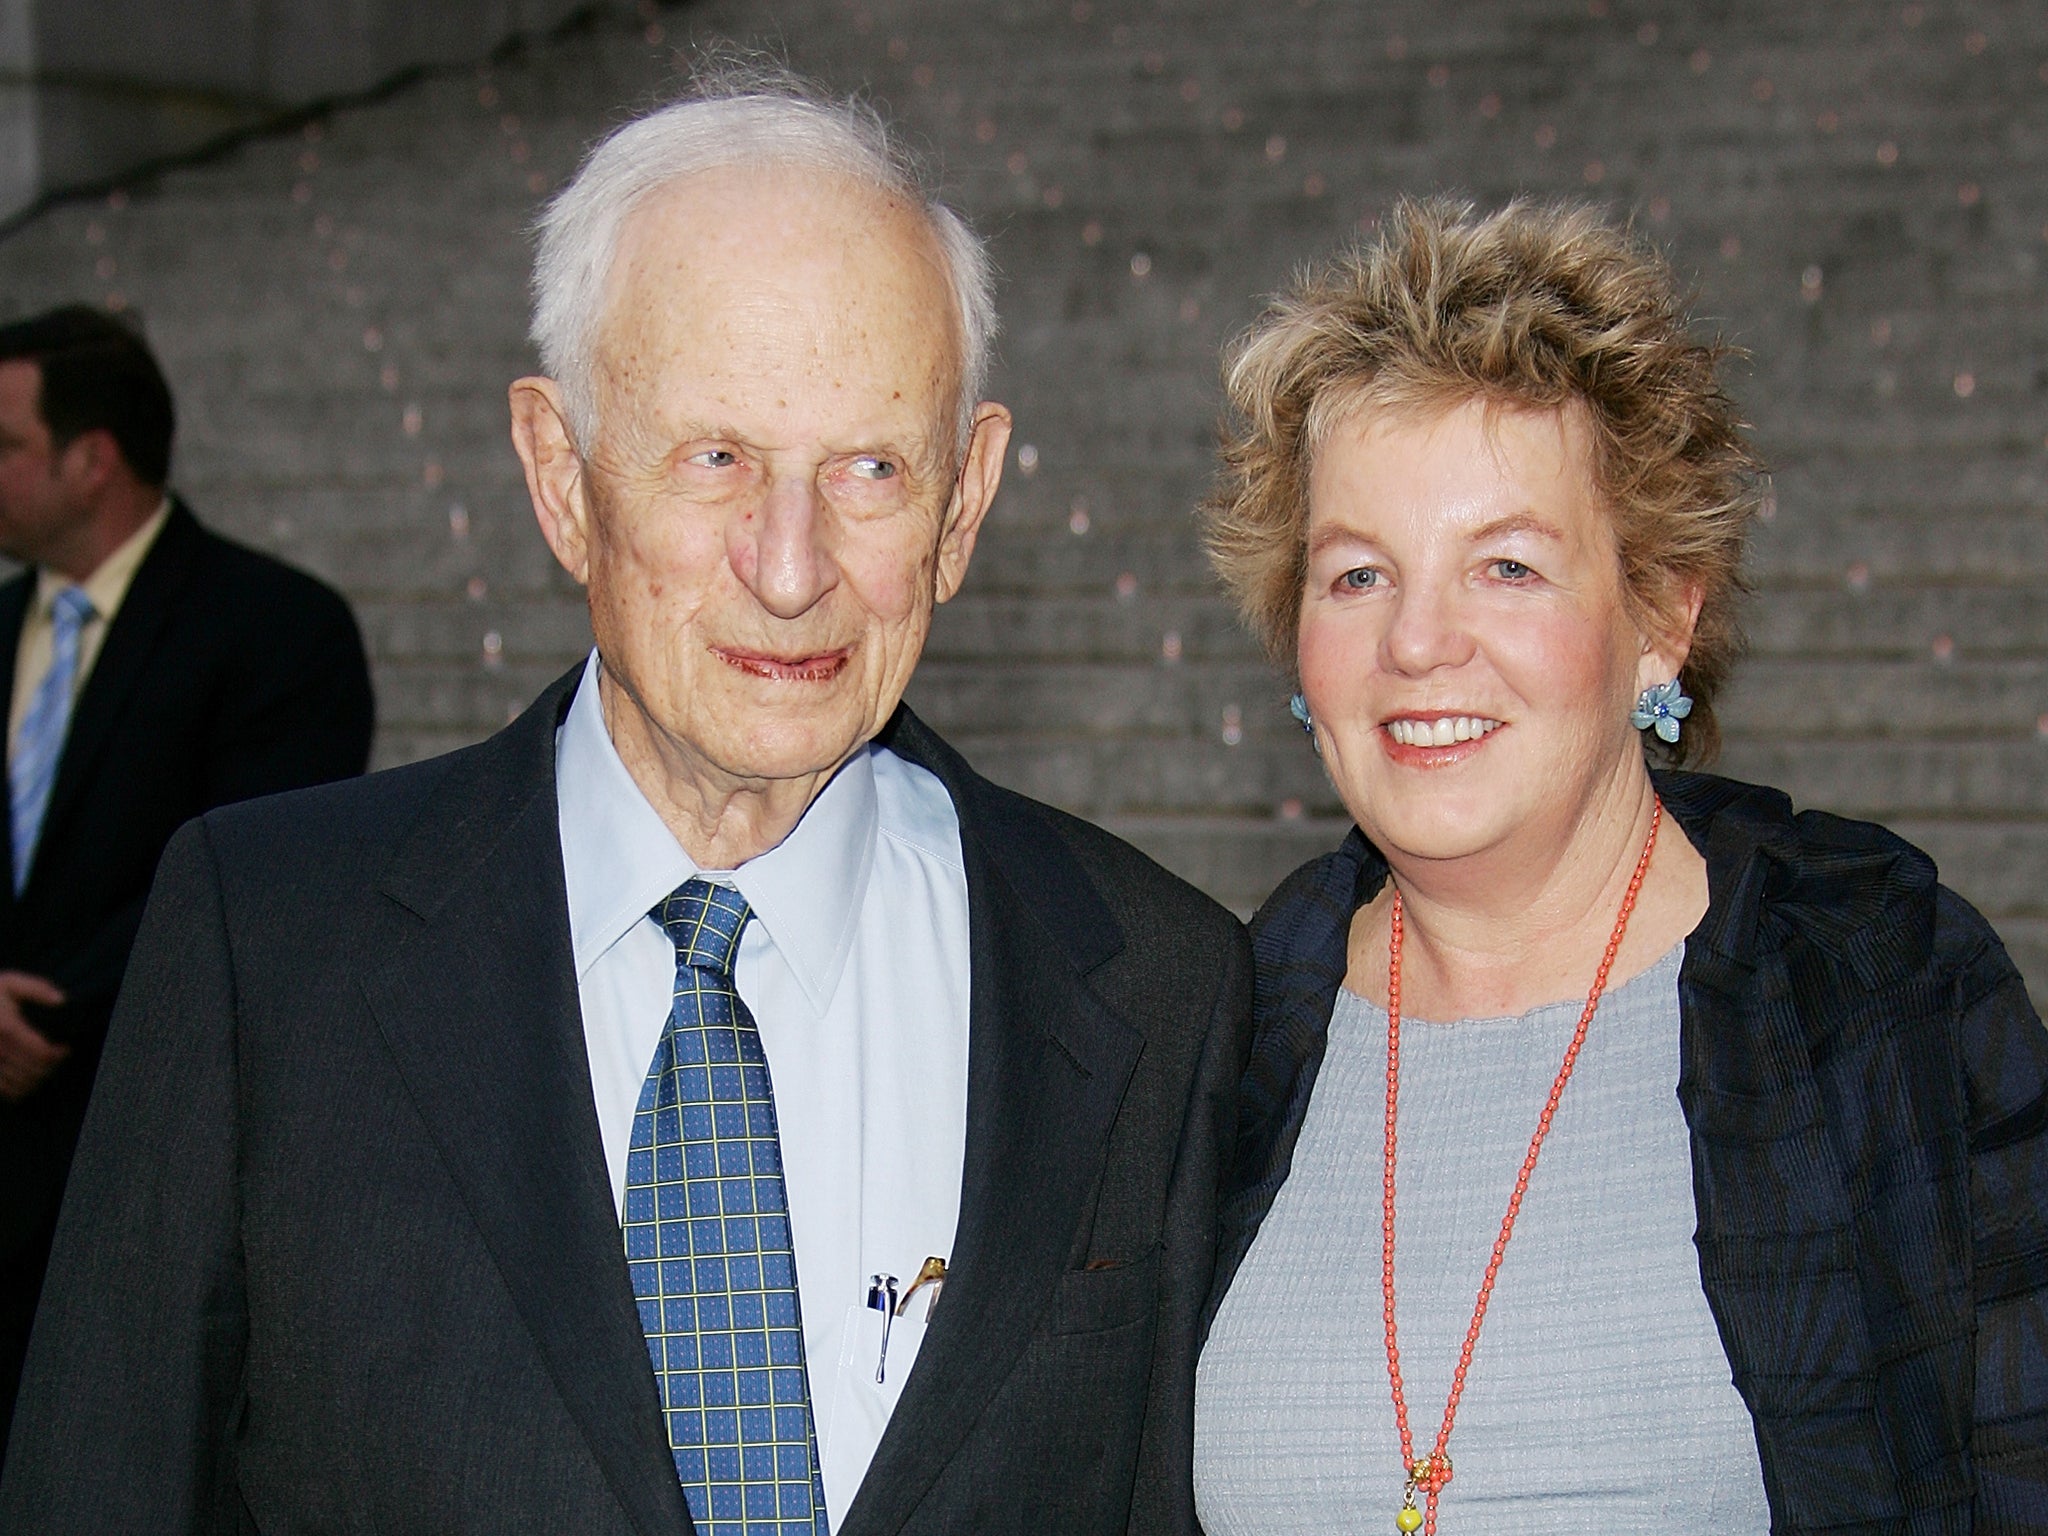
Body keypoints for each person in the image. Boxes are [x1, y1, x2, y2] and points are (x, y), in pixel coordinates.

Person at [0, 73, 1251, 1535]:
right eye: (713, 457)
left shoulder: (1158, 986)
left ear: (963, 503)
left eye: (870, 467)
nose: (791, 567)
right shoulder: (258, 951)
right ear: (561, 476)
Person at [1190, 198, 2048, 1534]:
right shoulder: (1217, 1030)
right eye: (1358, 575)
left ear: (1662, 616)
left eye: (1510, 567)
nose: (1420, 642)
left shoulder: (1878, 986)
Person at [0, 304, 373, 1467]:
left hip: (141, 1141)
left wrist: (44, 1010)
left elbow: (252, 872)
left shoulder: (275, 628)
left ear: (90, 457)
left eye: (3, 444)